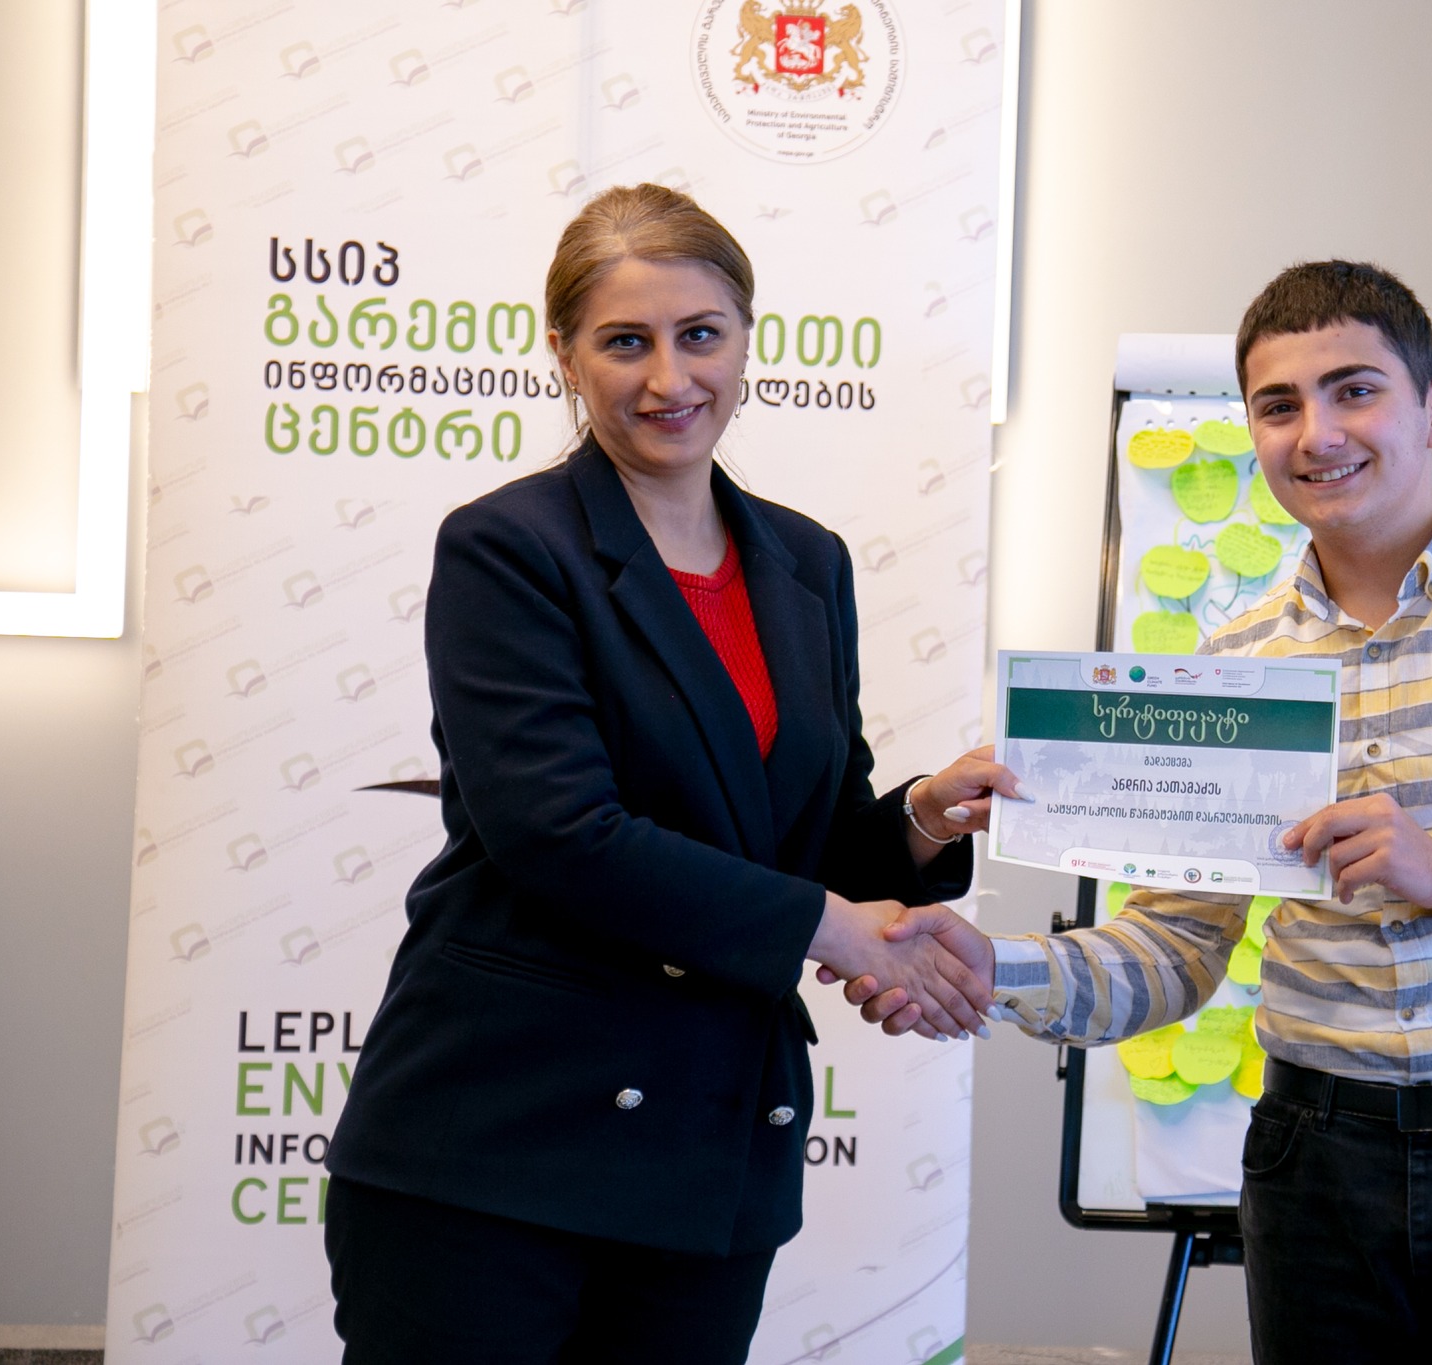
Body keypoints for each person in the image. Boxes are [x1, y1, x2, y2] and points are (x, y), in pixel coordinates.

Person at [840, 262, 1432, 1364]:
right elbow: (1174, 950)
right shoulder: (1237, 663)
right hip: (1320, 1167)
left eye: (1354, 390)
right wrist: (994, 967)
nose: (1317, 433)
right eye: (1278, 405)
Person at [323, 183, 1015, 1365]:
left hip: (708, 1142)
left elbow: (794, 845)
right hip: (498, 1141)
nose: (667, 378)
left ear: (745, 340)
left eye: (699, 334)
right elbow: (559, 834)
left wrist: (917, 819)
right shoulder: (507, 547)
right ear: (563, 354)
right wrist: (839, 931)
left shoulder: (805, 560)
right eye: (623, 342)